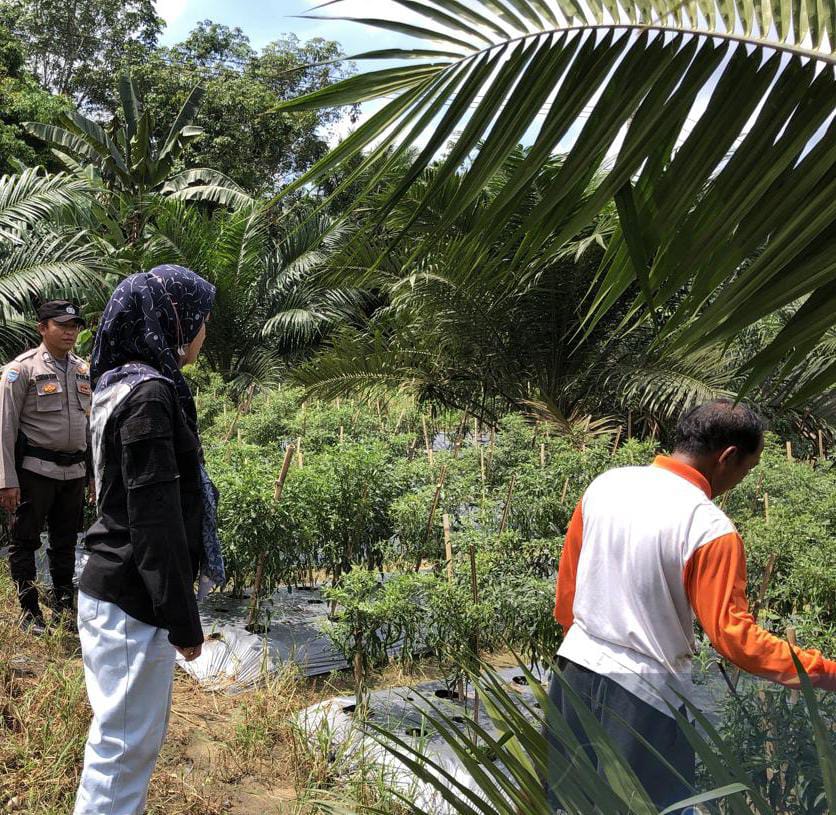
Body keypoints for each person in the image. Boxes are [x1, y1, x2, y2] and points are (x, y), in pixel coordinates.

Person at [546, 400, 836, 810]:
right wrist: (824, 673)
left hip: (572, 675)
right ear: (728, 457)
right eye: (746, 470)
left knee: (570, 805)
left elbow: (568, 591)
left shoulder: (607, 485)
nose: (739, 481)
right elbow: (735, 639)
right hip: (642, 698)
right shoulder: (707, 526)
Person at [73, 266, 225, 815]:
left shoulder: (119, 384)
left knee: (122, 744)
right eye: (202, 318)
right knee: (122, 753)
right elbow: (154, 519)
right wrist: (183, 621)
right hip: (132, 598)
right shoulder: (150, 396)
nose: (206, 330)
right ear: (174, 321)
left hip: (114, 587)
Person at [0, 300, 91, 632]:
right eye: (62, 325)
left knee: (66, 542)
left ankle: (65, 611)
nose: (70, 332)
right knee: (25, 541)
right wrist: (6, 480)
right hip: (35, 470)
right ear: (43, 328)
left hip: (74, 472)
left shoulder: (83, 370)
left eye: (74, 326)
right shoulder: (21, 370)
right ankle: (29, 613)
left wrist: (93, 475)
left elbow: (88, 427)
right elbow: (4, 428)